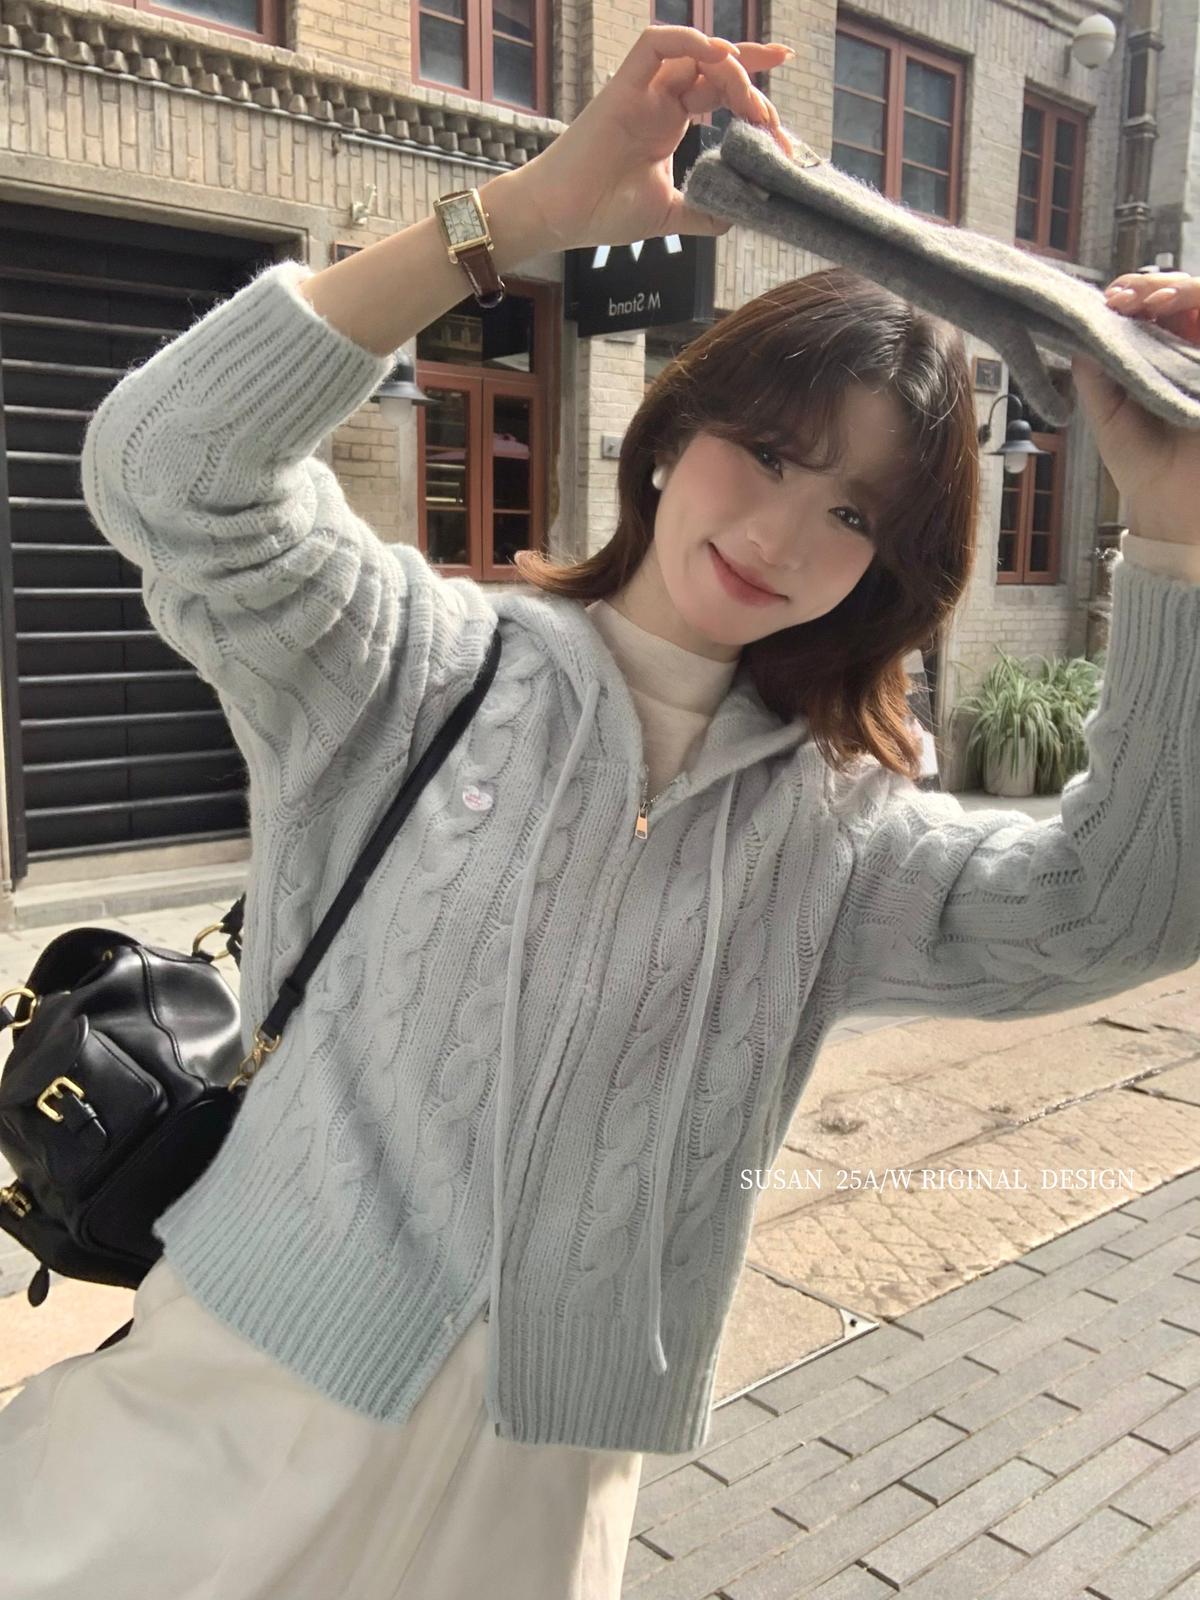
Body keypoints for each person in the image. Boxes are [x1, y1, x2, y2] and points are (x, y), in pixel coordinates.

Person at [2, 21, 1200, 1600]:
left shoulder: (841, 839)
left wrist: (1176, 536)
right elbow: (167, 469)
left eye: (853, 510)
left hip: (533, 1504)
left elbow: (1127, 905)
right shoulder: (410, 666)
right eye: (769, 453)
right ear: (676, 433)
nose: (782, 531)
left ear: (890, 570)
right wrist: (515, 217)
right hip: (221, 1424)